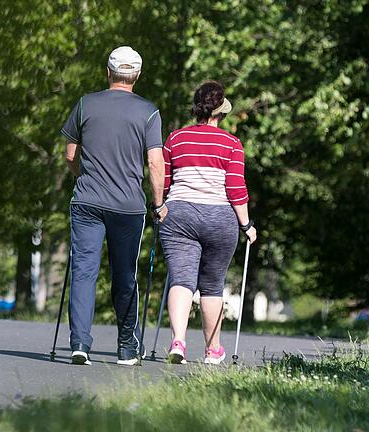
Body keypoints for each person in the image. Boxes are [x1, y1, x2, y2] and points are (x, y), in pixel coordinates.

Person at [61, 46, 166, 366]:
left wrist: (86, 176)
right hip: (128, 207)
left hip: (88, 202)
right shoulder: (148, 112)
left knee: (83, 272)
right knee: (124, 276)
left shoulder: (84, 104)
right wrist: (158, 203)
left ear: (108, 73)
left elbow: (69, 155)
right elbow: (155, 163)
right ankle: (126, 346)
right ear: (137, 75)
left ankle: (80, 343)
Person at [159, 80, 257, 365]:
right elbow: (236, 188)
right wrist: (247, 225)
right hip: (220, 217)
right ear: (220, 112)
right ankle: (213, 349)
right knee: (212, 285)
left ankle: (178, 340)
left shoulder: (175, 139)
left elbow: (164, 181)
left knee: (181, 278)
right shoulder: (232, 144)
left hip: (180, 214)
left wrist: (159, 206)